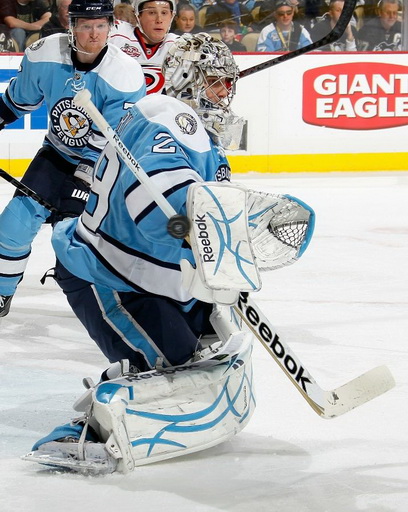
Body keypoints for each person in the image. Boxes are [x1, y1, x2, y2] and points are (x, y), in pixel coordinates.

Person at [0, 0, 146, 317]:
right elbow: (16, 101)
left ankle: (120, 308)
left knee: (81, 243)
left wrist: (82, 183)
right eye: (85, 25)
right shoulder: (46, 54)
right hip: (56, 155)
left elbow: (112, 140)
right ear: (72, 26)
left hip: (107, 167)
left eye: (101, 25)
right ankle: (1, 294)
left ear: (110, 26)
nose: (94, 34)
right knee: (13, 225)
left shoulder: (124, 74)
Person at [110, 0, 178, 94]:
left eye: (164, 13)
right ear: (138, 15)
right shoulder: (116, 36)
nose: (159, 20)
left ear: (172, 16)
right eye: (152, 12)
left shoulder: (180, 47)